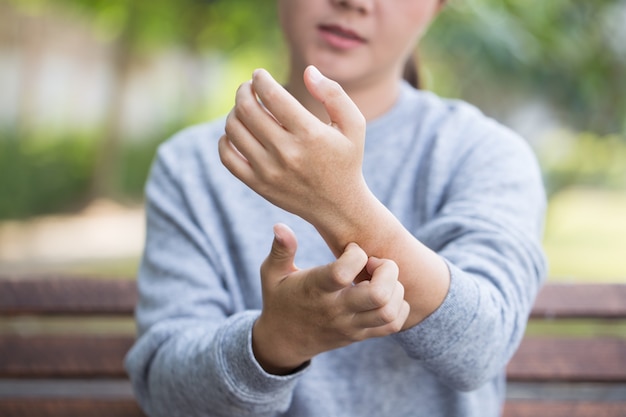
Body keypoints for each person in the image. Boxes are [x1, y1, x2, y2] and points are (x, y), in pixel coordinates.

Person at [125, 0, 547, 416]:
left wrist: (343, 206)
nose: (355, 3)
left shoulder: (484, 154)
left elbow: (484, 344)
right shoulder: (190, 166)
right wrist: (276, 342)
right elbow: (165, 392)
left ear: (437, 7)